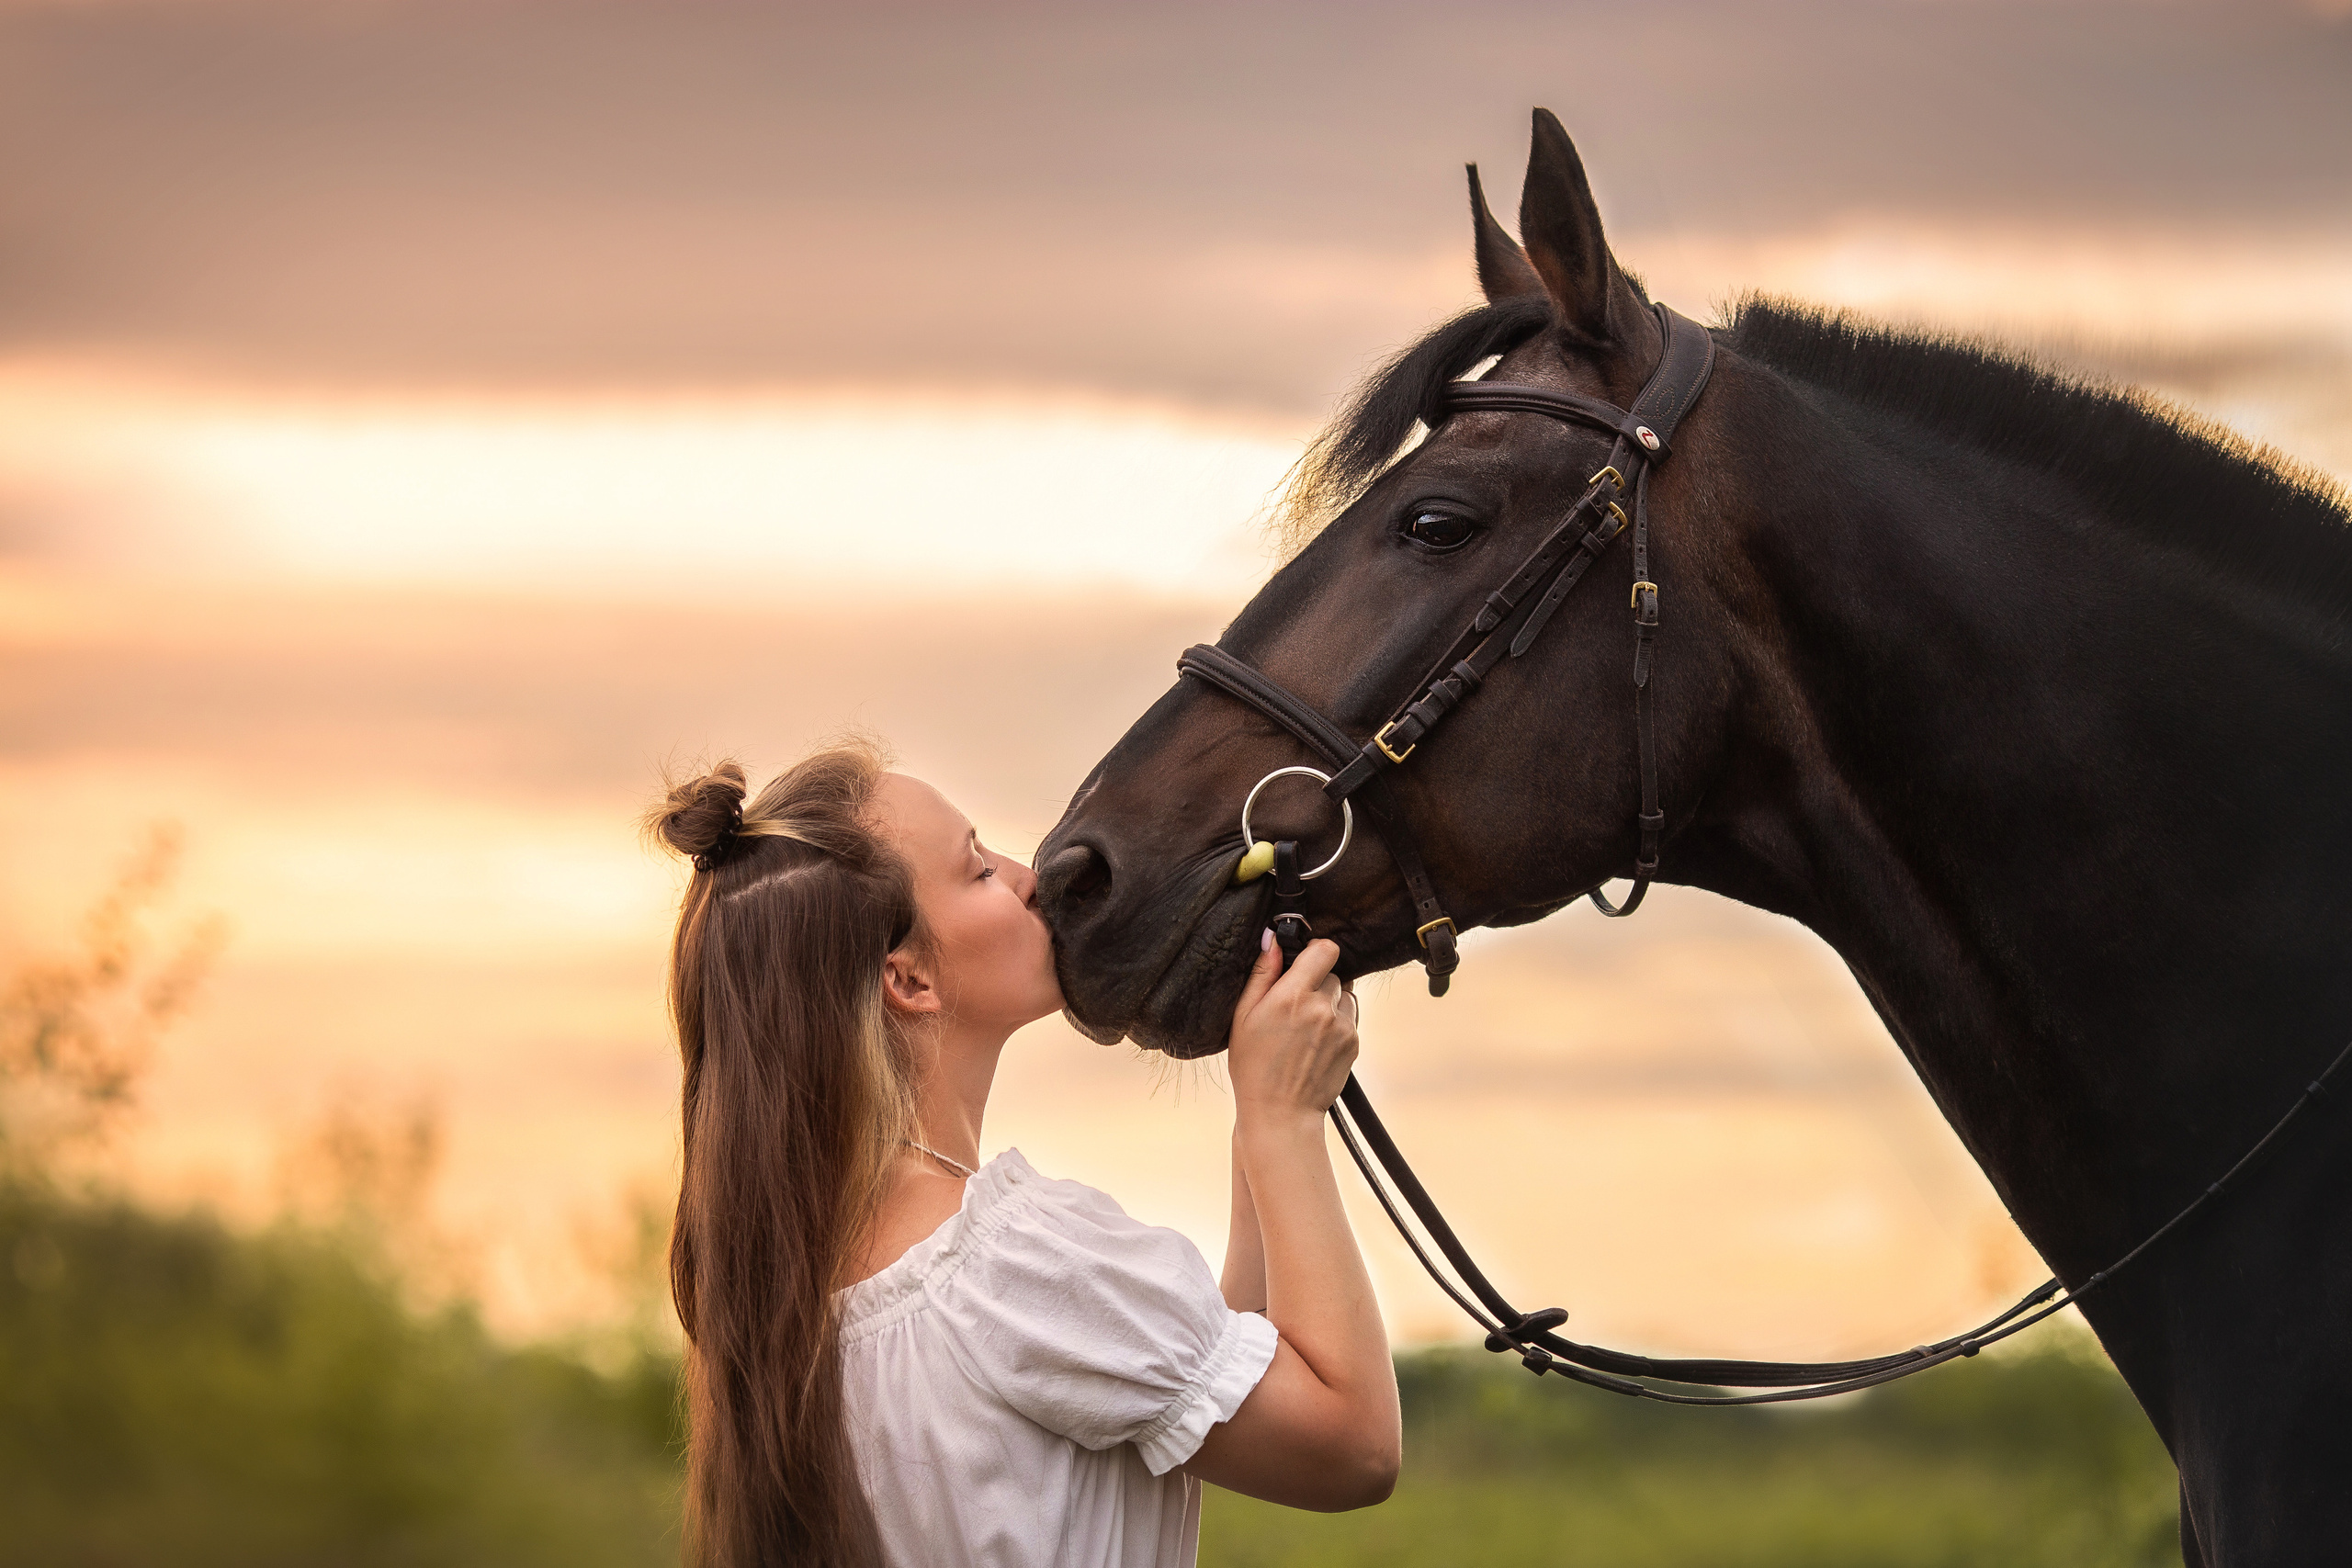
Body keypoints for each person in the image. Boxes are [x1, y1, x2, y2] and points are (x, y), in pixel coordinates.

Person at [646, 740, 1399, 1568]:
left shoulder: (796, 1302)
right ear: (909, 980)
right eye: (977, 870)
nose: (1027, 874)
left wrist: (1260, 1114)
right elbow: (1351, 1443)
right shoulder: (1010, 1266)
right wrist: (1284, 1124)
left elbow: (1216, 1385)